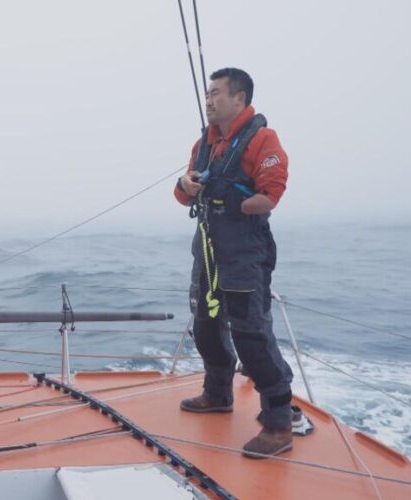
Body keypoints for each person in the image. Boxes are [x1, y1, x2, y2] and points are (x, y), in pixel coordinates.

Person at [173, 67, 294, 458]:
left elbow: (272, 190)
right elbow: (183, 193)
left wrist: (248, 204)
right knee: (206, 325)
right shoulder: (203, 144)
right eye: (207, 94)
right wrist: (186, 185)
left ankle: (278, 424)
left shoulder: (262, 138)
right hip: (207, 248)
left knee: (250, 333)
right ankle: (217, 392)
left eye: (216, 93)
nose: (208, 100)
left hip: (245, 250)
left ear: (239, 98)